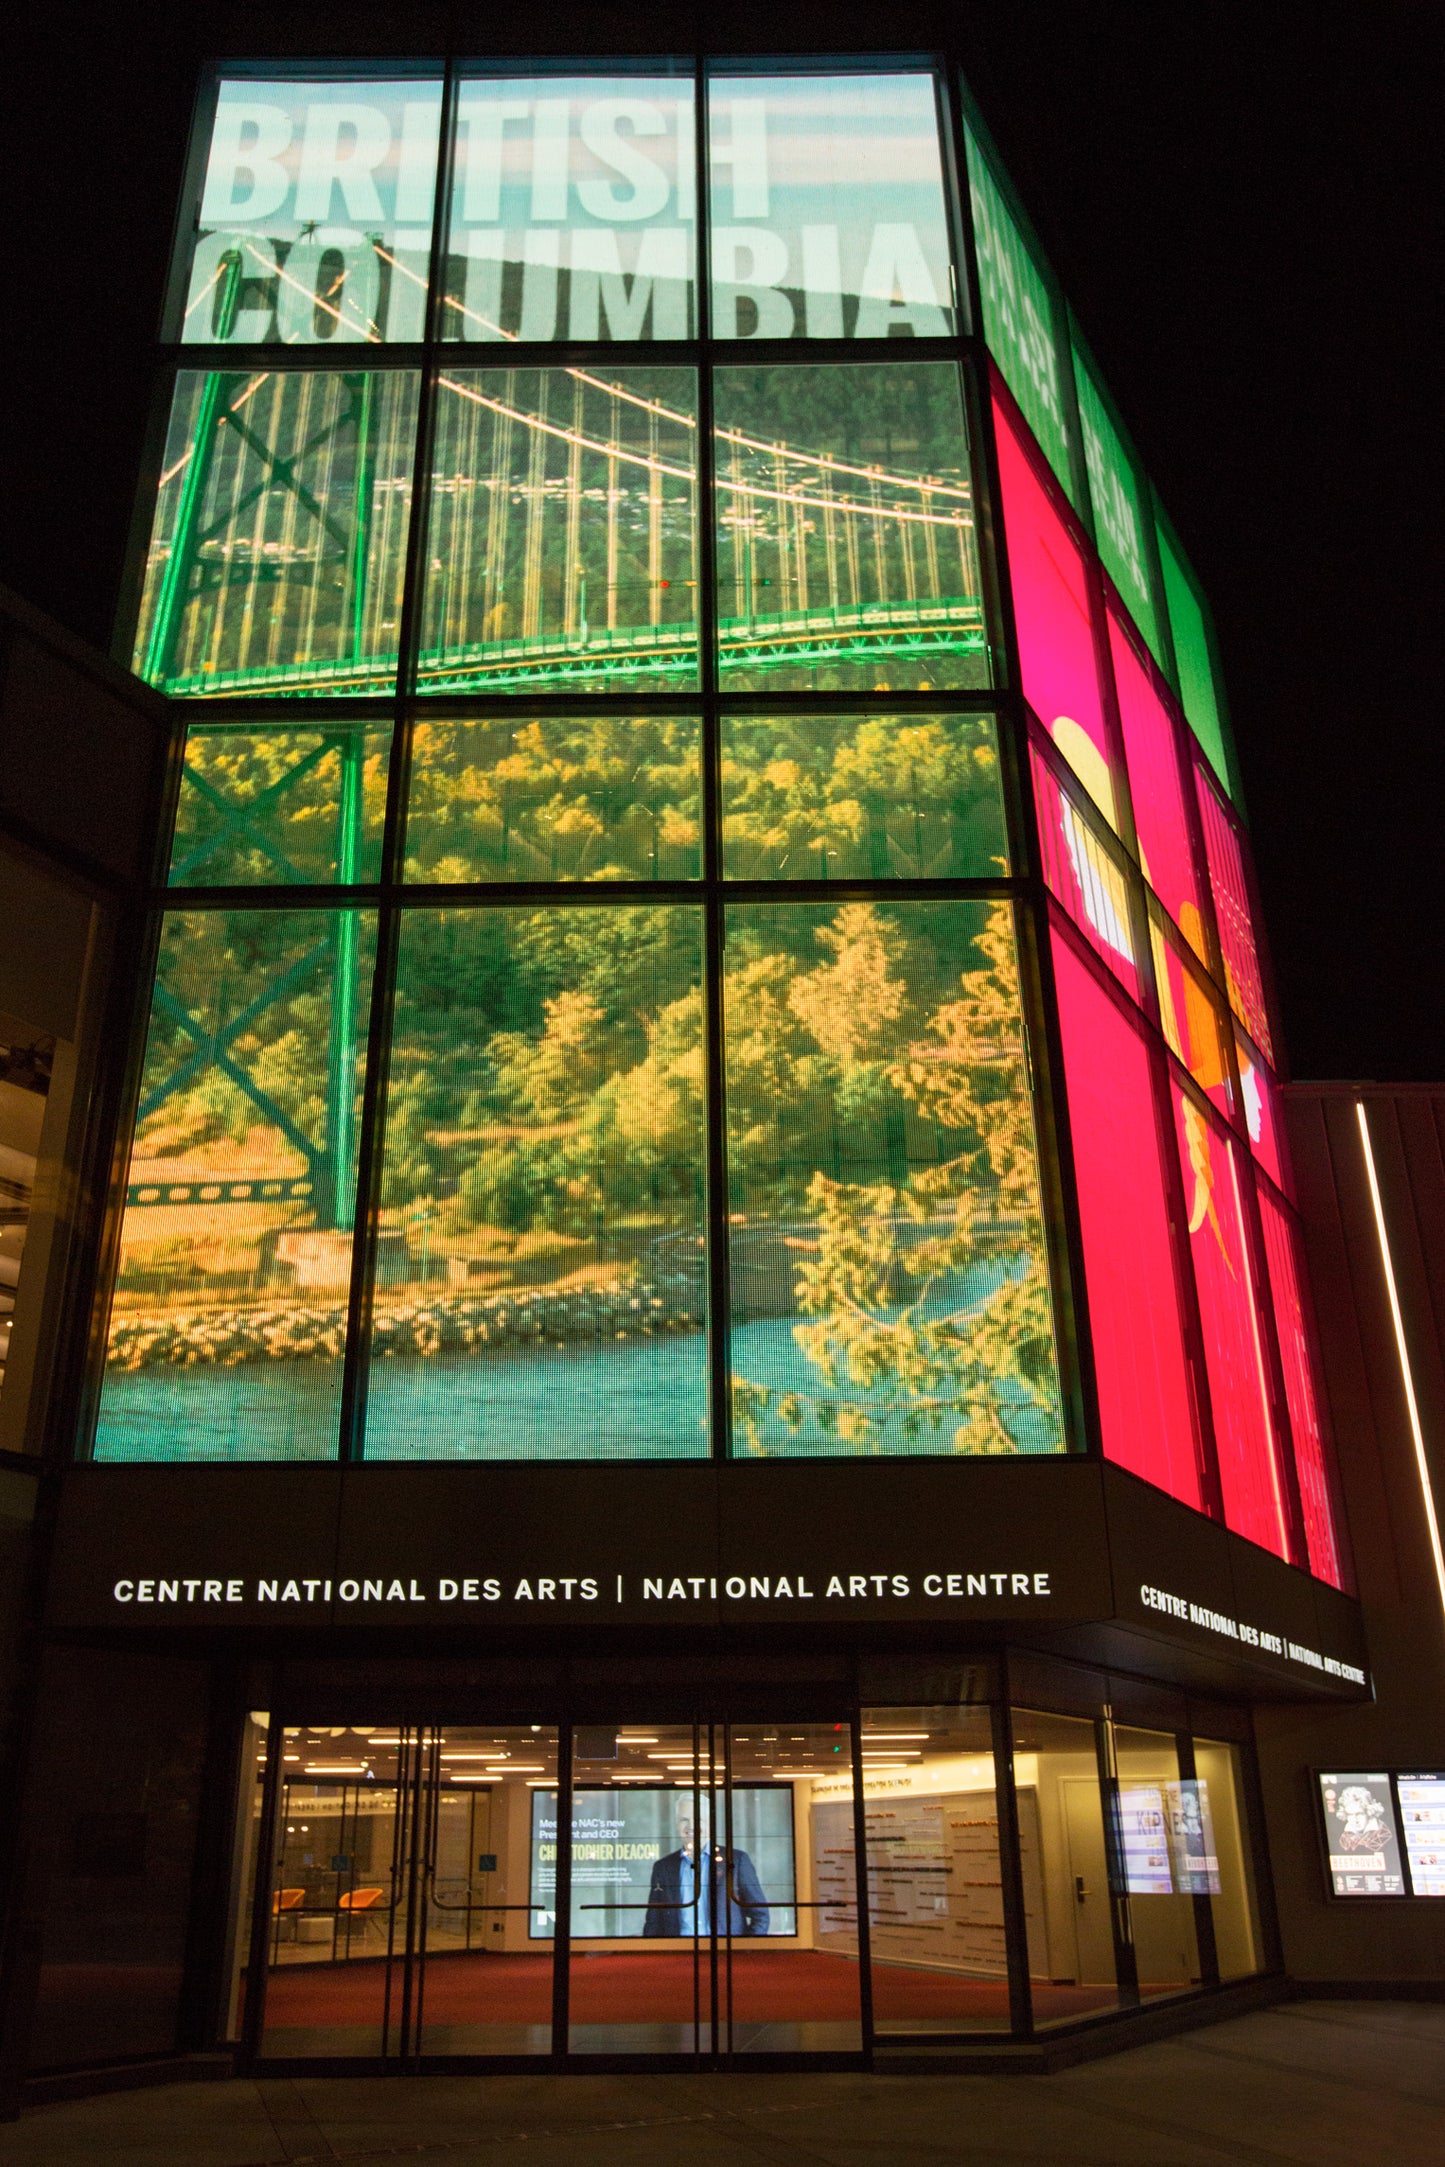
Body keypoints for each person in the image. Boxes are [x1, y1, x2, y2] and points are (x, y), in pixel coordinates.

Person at [642, 1796, 770, 1938]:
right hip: (679, 1955)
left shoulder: (736, 1861)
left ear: (710, 1824)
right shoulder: (663, 1867)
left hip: (724, 1954)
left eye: (697, 1819)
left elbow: (761, 1915)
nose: (691, 1826)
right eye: (684, 1820)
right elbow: (653, 1923)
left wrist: (745, 1951)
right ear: (677, 1824)